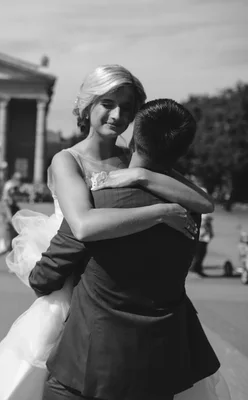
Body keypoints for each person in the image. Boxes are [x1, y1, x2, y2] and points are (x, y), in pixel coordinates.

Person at [0, 65, 215, 400]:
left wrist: (142, 177)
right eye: (108, 103)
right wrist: (161, 211)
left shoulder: (135, 161)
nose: (118, 115)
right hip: (76, 295)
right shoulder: (68, 160)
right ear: (88, 104)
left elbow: (203, 202)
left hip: (125, 300)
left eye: (128, 107)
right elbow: (82, 226)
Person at [32, 99, 226, 399]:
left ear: (133, 139)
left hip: (87, 367)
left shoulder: (97, 202)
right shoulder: (189, 209)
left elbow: (43, 277)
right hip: (158, 368)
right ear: (182, 152)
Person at [190, 212, 214, 277]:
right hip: (200, 240)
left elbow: (210, 233)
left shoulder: (207, 224)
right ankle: (195, 269)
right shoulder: (202, 223)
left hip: (203, 241)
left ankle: (197, 269)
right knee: (198, 256)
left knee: (201, 255)